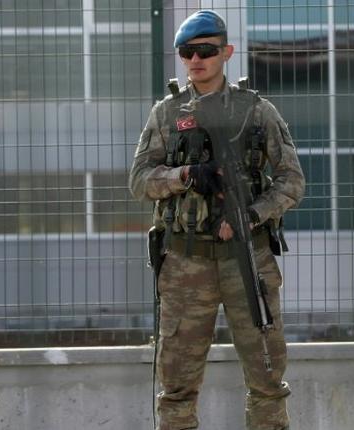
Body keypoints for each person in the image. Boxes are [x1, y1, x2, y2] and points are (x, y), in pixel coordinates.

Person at [129, 9, 304, 430]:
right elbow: (139, 181)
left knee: (267, 379)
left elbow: (292, 181)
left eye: (206, 50)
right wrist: (184, 176)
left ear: (226, 52)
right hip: (186, 264)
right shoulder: (166, 114)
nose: (196, 60)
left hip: (247, 257)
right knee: (176, 386)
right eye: (187, 51)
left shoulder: (256, 111)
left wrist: (250, 215)